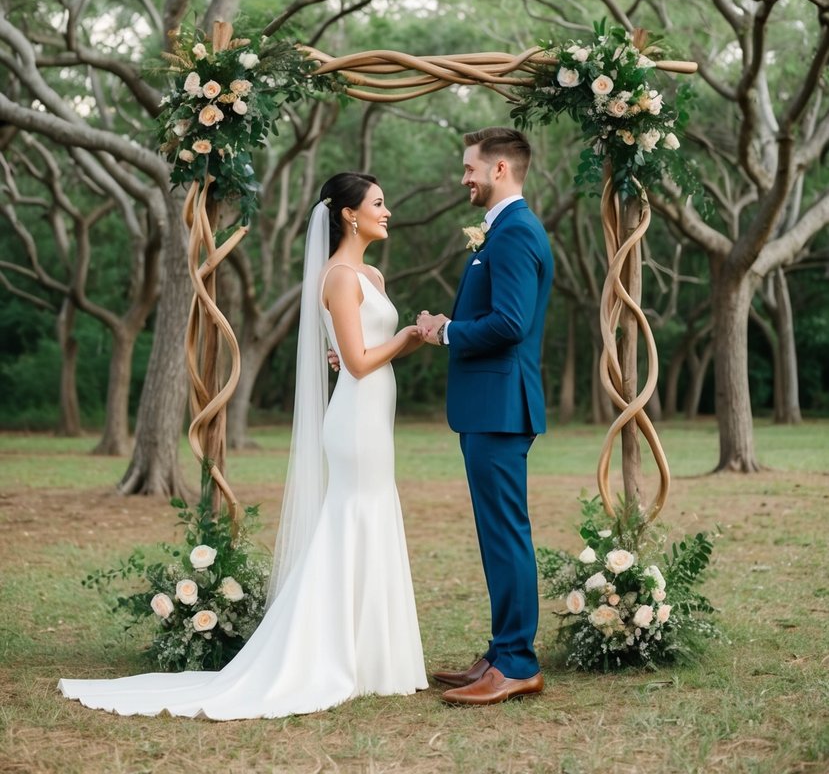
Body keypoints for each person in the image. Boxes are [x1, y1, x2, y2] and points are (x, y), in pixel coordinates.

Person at [58, 172, 428, 719]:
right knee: (354, 515)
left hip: (375, 412)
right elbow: (355, 362)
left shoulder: (370, 272)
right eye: (378, 202)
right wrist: (410, 336)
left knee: (373, 512)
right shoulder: (340, 277)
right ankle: (328, 652)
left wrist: (397, 343)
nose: (388, 210)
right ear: (349, 214)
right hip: (354, 420)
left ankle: (378, 656)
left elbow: (361, 352)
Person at [417, 127, 553, 707]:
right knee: (497, 535)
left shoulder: (516, 232)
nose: (464, 177)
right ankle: (501, 652)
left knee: (506, 535)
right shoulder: (500, 232)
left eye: (471, 168)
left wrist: (446, 331)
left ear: (500, 170)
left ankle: (518, 662)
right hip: (488, 407)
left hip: (502, 407)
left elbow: (511, 323)